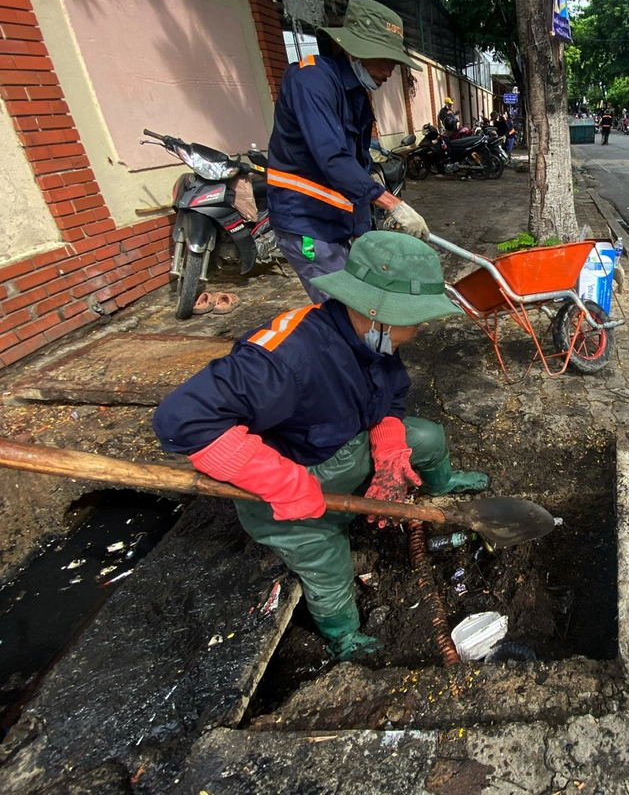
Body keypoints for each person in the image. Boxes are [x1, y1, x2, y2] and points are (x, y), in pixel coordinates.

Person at [152, 232, 490, 662]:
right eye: (415, 319)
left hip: (345, 448)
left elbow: (393, 399)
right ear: (376, 312)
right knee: (329, 562)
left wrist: (388, 453)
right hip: (288, 483)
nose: (418, 331)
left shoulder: (375, 342)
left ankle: (439, 484)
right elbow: (180, 420)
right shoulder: (285, 358)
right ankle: (342, 634)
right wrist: (281, 482)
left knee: (426, 437)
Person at [267, 0, 430, 305]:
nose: (391, 71)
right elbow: (332, 158)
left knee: (368, 305)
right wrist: (392, 203)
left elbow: (358, 166)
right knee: (345, 314)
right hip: (307, 221)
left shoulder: (354, 95)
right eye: (386, 58)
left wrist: (364, 234)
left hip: (337, 221)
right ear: (356, 50)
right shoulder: (311, 81)